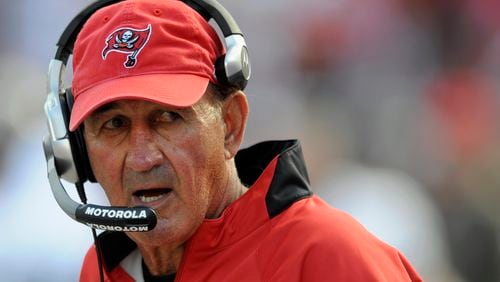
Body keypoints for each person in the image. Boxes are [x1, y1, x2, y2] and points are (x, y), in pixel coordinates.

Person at [48, 0, 422, 281]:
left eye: (167, 118)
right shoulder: (102, 271)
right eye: (114, 124)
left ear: (230, 125)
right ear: (76, 152)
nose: (143, 158)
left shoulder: (328, 258)